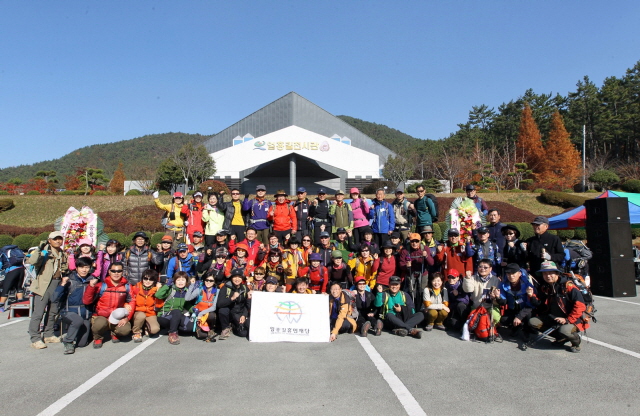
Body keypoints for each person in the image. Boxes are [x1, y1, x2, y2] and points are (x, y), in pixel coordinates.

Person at [528, 261, 588, 353]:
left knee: (564, 330)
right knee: (533, 322)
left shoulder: (568, 286)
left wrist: (567, 320)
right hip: (554, 317)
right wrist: (531, 296)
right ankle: (561, 338)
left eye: (550, 273)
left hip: (573, 319)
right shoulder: (546, 287)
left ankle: (576, 343)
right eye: (545, 273)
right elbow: (540, 305)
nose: (548, 276)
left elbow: (580, 306)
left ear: (557, 273)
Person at [27, 231, 69, 349]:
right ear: (49, 240)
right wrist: (39, 250)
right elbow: (33, 261)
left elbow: (64, 267)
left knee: (53, 311)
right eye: (55, 239)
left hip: (57, 283)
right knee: (38, 312)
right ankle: (35, 338)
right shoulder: (44, 252)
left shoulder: (62, 253)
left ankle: (48, 334)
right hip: (43, 285)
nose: (58, 241)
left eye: (60, 239)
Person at [82, 261, 134, 348]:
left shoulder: (127, 286)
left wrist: (127, 318)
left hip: (117, 316)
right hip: (102, 315)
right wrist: (91, 287)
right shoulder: (101, 285)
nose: (116, 273)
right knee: (99, 324)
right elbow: (87, 301)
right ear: (109, 271)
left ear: (123, 272)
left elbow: (132, 301)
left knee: (125, 330)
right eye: (113, 271)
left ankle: (115, 332)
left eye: (119, 271)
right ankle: (98, 337)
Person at [52, 257, 94, 354]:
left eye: (87, 267)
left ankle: (77, 334)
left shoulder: (92, 280)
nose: (84, 270)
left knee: (82, 343)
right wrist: (62, 284)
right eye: (81, 267)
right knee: (77, 320)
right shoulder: (69, 280)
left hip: (85, 313)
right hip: (69, 311)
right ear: (76, 268)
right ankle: (68, 342)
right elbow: (54, 298)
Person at [155, 271, 194, 345]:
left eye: (183, 280)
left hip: (178, 316)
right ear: (174, 281)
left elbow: (187, 305)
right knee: (177, 311)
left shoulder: (186, 292)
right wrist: (167, 285)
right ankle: (172, 333)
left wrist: (195, 309)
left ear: (186, 281)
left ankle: (173, 327)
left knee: (189, 328)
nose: (180, 282)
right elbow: (158, 295)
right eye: (178, 280)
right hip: (165, 315)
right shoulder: (170, 289)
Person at [499, 263, 535, 338]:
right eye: (508, 274)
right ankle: (517, 327)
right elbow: (503, 302)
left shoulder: (528, 285)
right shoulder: (503, 285)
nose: (511, 276)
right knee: (504, 320)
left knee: (528, 317)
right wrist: (497, 297)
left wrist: (519, 317)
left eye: (513, 273)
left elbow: (531, 305)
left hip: (526, 309)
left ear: (519, 273)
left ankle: (526, 329)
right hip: (513, 309)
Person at [462, 259, 502, 325]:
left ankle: (491, 328)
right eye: (480, 267)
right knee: (473, 320)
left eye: (485, 267)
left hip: (491, 306)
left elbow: (499, 296)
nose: (482, 269)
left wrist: (495, 296)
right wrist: (467, 279)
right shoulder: (472, 278)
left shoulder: (496, 280)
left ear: (490, 269)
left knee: (495, 316)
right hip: (477, 306)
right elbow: (468, 290)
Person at [216, 269, 250, 339]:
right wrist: (232, 298)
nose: (237, 279)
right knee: (223, 310)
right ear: (231, 278)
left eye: (239, 277)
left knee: (243, 333)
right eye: (235, 277)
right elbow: (219, 304)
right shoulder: (225, 287)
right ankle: (225, 328)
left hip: (239, 313)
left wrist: (244, 315)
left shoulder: (245, 288)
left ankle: (233, 325)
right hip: (229, 313)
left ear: (242, 278)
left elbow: (247, 305)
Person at [130, 269, 161, 343]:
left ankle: (145, 326)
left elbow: (160, 304)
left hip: (150, 313)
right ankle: (136, 332)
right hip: (138, 312)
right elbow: (128, 300)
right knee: (141, 316)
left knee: (155, 330)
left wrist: (158, 291)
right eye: (145, 278)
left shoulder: (156, 290)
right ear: (142, 279)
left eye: (151, 279)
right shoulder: (136, 288)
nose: (148, 281)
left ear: (155, 281)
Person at [186, 273, 218, 341]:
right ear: (204, 280)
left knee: (212, 315)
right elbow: (187, 298)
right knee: (202, 336)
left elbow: (214, 307)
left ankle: (211, 328)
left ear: (214, 282)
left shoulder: (217, 291)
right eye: (207, 280)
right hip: (198, 312)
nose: (208, 282)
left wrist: (201, 314)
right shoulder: (199, 290)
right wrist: (191, 285)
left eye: (211, 281)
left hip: (208, 313)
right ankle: (203, 329)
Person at [0, 244, 25, 311]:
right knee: (19, 287)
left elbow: (0, 264)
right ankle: (21, 303)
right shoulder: (15, 250)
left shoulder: (3, 252)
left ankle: (1, 307)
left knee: (6, 288)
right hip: (21, 269)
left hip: (12, 270)